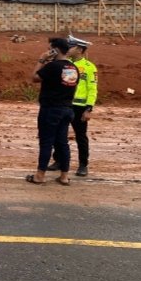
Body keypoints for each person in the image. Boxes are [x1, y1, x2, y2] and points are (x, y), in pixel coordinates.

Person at [26, 37, 79, 186]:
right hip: (67, 109)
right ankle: (64, 176)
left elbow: (34, 78)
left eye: (50, 49)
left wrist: (41, 60)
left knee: (46, 142)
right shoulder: (73, 68)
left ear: (55, 50)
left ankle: (40, 175)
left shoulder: (53, 66)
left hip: (51, 109)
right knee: (62, 143)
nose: (48, 51)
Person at [48, 36, 97, 177]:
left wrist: (89, 108)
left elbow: (92, 89)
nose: (68, 49)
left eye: (71, 47)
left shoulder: (89, 67)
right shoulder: (64, 64)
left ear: (80, 49)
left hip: (80, 107)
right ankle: (58, 160)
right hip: (64, 104)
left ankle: (83, 165)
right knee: (59, 134)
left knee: (81, 136)